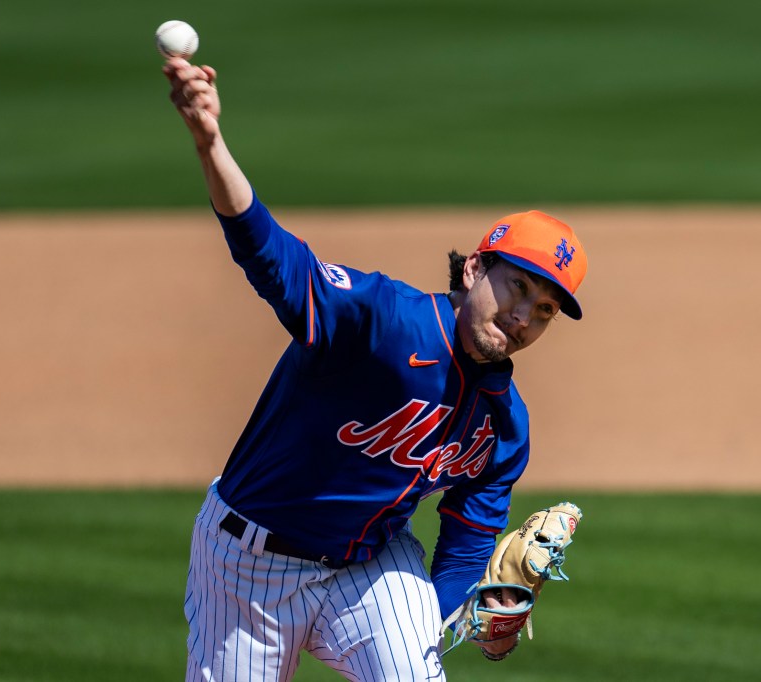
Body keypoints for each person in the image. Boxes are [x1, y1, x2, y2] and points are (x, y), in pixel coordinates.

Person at [163, 56, 588, 682]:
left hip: (369, 567)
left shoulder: (504, 425)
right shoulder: (382, 319)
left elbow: (468, 544)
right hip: (247, 563)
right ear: (473, 270)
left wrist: (473, 616)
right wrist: (210, 142)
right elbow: (272, 257)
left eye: (545, 310)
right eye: (518, 288)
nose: (524, 315)